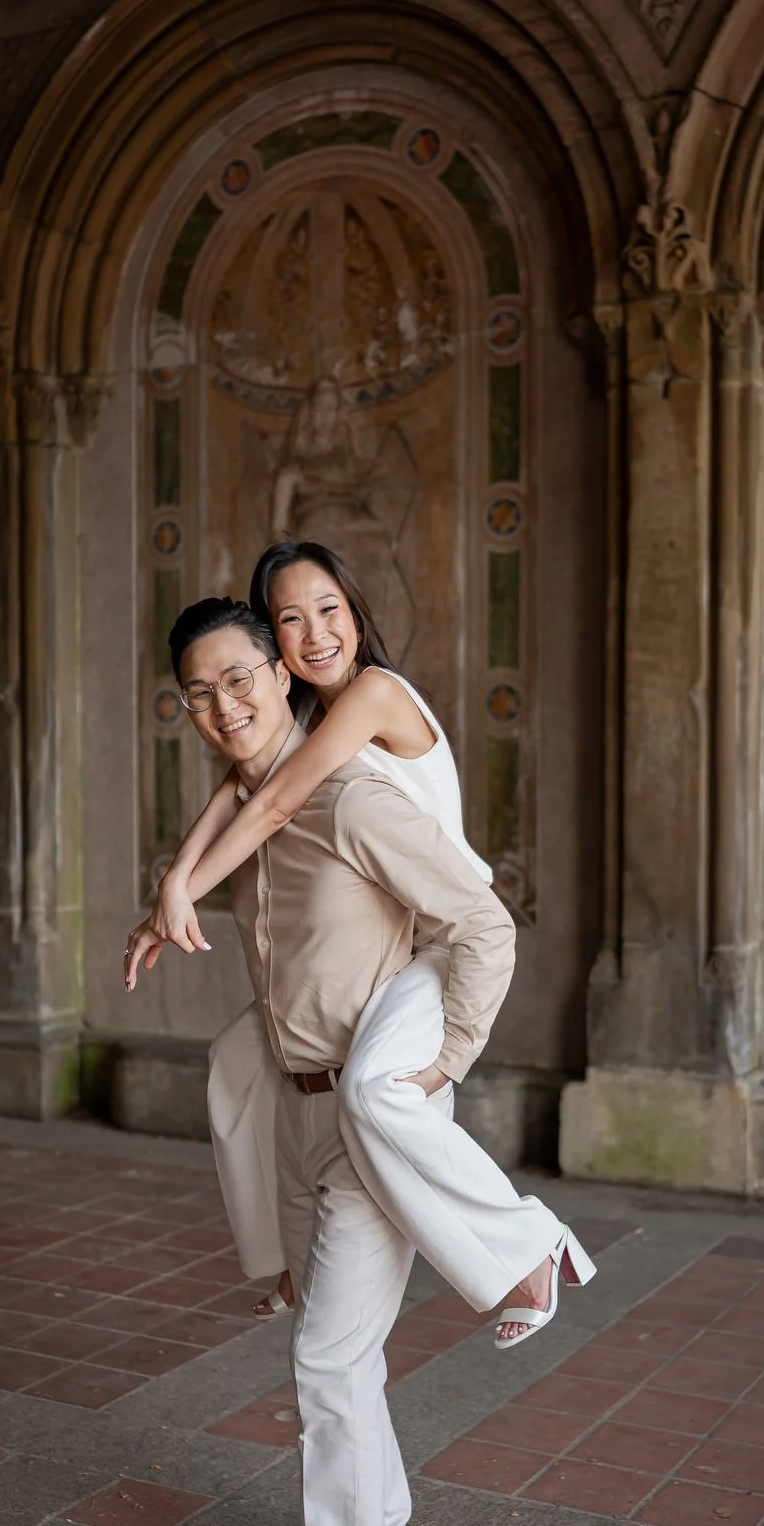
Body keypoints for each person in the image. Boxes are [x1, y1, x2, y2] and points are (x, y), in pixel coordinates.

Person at [134, 593, 517, 1526]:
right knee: (339, 1345)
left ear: (282, 674)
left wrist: (444, 1061)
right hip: (296, 1109)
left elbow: (482, 921)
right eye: (198, 691)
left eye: (242, 677)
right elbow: (229, 819)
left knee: (326, 1365)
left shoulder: (348, 796)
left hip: (369, 1119)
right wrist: (168, 891)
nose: (224, 704)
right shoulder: (255, 800)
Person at [125, 539, 593, 1348]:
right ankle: (280, 1260)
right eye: (290, 620)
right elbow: (238, 789)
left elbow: (272, 806)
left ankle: (527, 1245)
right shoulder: (302, 710)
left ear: (355, 610)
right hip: (411, 930)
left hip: (436, 941)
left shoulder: (372, 694)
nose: (314, 635)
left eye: (328, 610)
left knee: (377, 1090)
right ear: (276, 642)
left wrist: (178, 889)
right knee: (240, 1060)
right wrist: (173, 883)